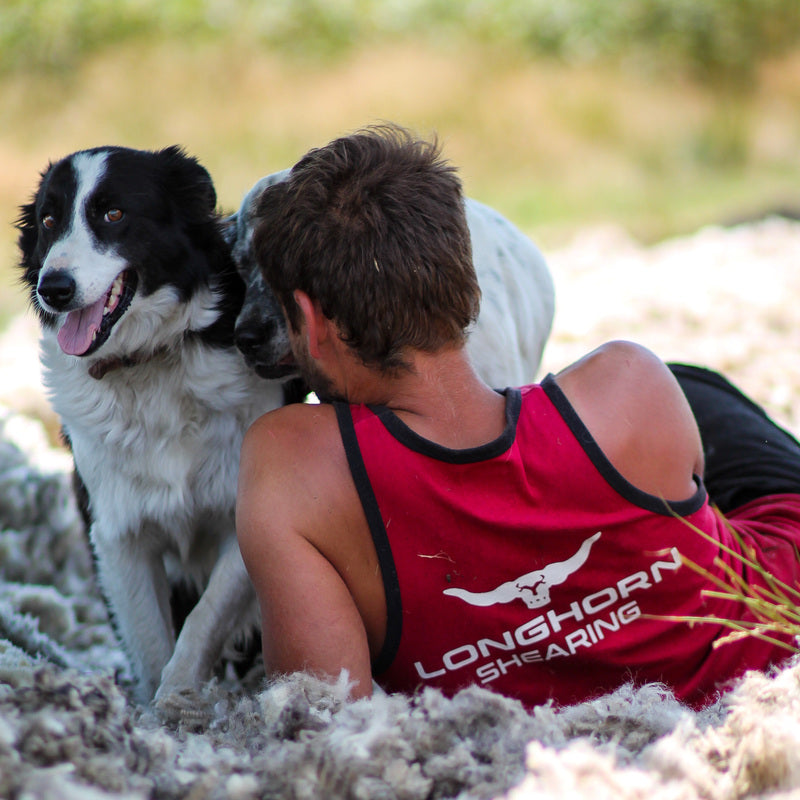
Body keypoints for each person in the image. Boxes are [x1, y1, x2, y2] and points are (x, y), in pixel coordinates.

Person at [236, 123, 800, 710]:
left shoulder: (292, 469)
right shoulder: (630, 386)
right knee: (686, 389)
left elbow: (324, 717)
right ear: (470, 281)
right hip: (762, 643)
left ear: (310, 317)